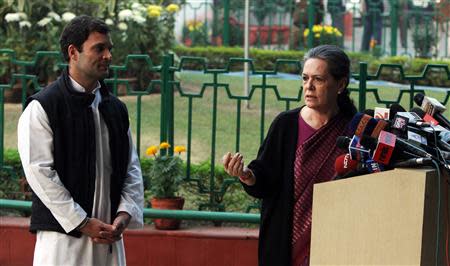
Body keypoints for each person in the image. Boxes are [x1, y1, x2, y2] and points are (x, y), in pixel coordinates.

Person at [17, 15, 144, 265]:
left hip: (109, 243)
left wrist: (123, 215)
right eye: (99, 48)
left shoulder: (115, 109)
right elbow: (40, 174)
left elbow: (132, 169)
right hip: (62, 245)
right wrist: (82, 223)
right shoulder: (43, 108)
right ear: (73, 52)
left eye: (109, 48)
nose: (108, 55)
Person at [223, 45, 357, 266]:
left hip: (336, 244)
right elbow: (265, 178)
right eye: (305, 78)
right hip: (284, 245)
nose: (309, 87)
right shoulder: (286, 125)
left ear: (341, 84)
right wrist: (246, 174)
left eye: (319, 79)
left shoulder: (354, 130)